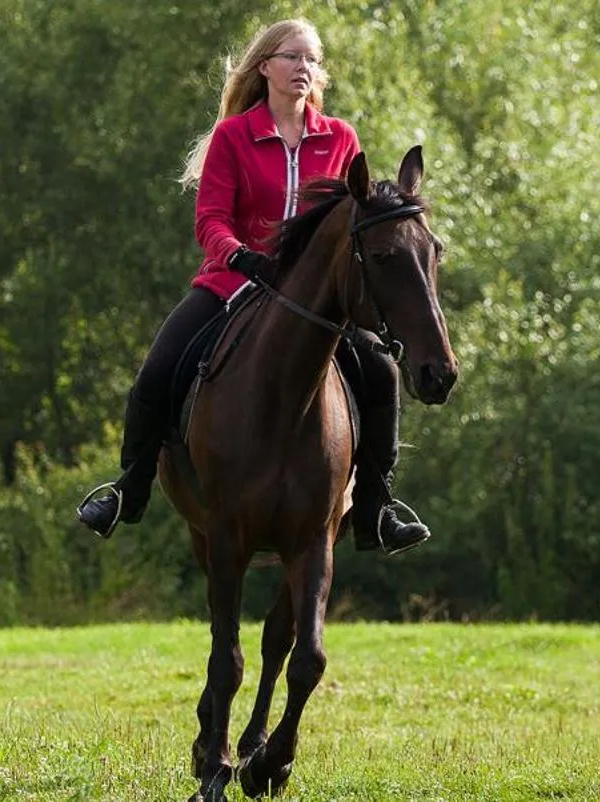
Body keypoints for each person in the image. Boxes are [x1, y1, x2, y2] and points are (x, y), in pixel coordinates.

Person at [74, 18, 431, 555]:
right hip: (232, 283)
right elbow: (210, 221)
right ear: (264, 66)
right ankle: (129, 488)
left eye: (312, 60)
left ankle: (378, 507)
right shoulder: (233, 136)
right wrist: (241, 257)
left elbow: (350, 223)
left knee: (381, 371)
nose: (304, 68)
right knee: (157, 369)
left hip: (317, 300)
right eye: (292, 57)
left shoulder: (341, 138)